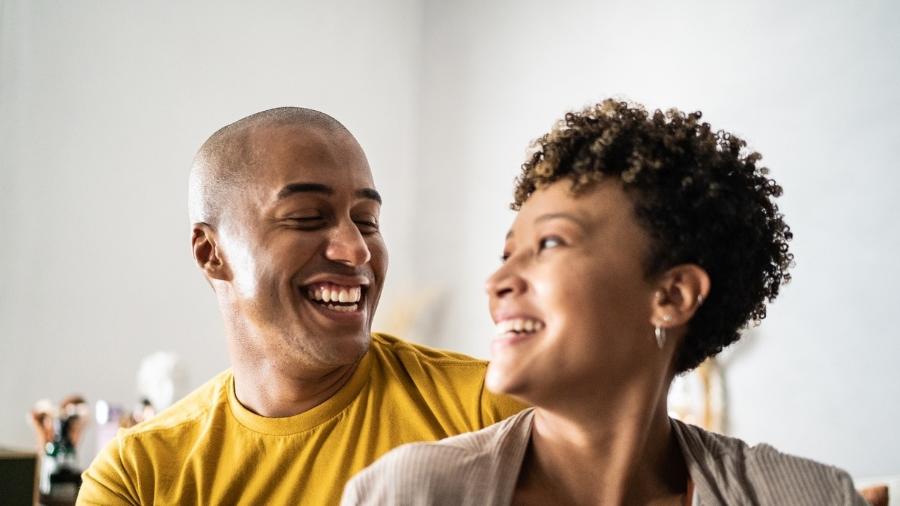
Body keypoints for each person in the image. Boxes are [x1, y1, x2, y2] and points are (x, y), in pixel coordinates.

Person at [342, 100, 867, 505]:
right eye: (507, 253)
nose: (498, 280)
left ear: (673, 295)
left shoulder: (805, 496)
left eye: (549, 244)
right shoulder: (411, 491)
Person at [77, 108, 522, 505]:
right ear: (210, 252)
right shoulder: (139, 475)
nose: (356, 250)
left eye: (366, 221)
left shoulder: (491, 411)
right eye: (308, 217)